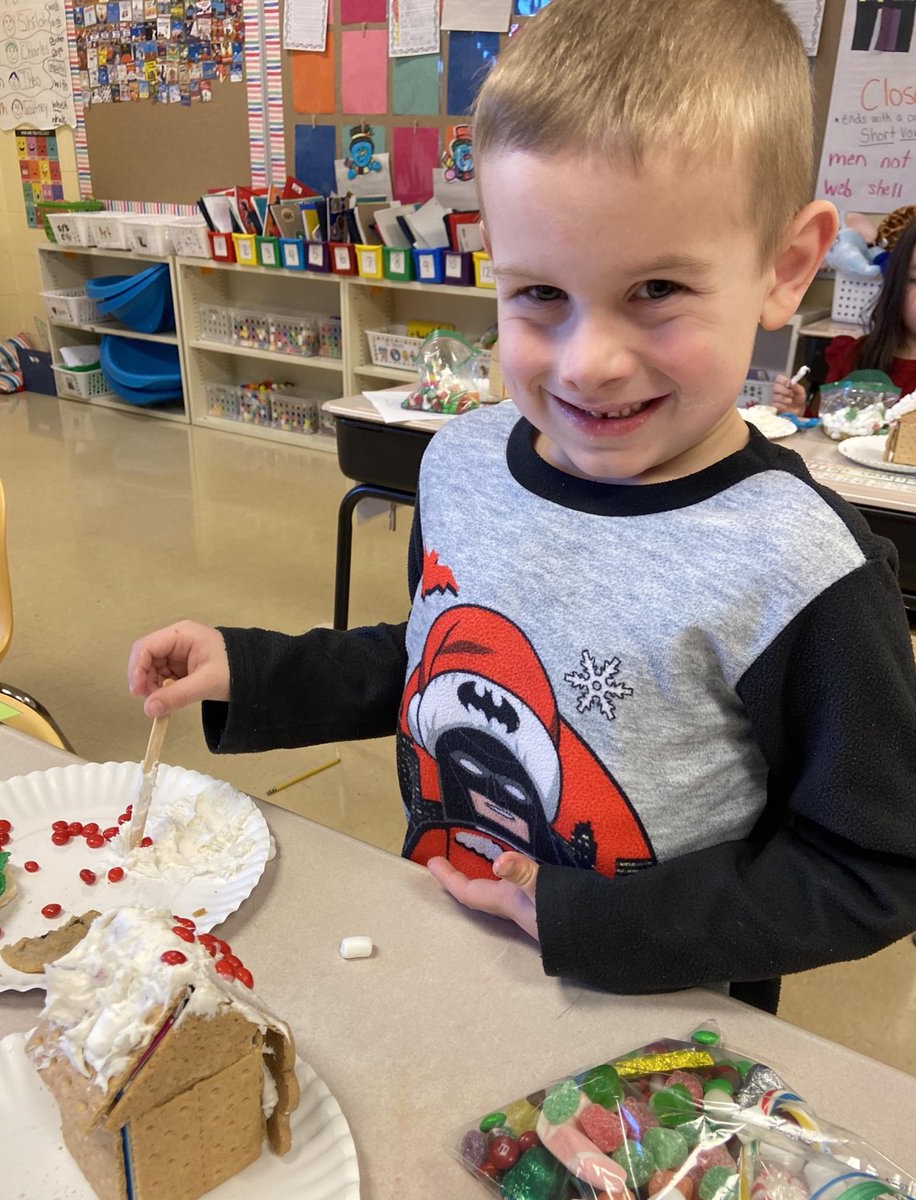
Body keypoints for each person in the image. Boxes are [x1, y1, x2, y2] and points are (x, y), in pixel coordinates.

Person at [129, 0, 916, 1014]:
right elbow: (436, 652)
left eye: (659, 288)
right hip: (443, 946)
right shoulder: (461, 464)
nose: (590, 361)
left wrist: (585, 920)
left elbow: (875, 867)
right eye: (539, 294)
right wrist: (254, 667)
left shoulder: (800, 568)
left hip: (659, 1017)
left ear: (785, 268)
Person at [773, 215, 916, 412]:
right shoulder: (856, 357)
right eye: (914, 279)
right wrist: (797, 413)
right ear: (896, 284)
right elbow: (829, 427)